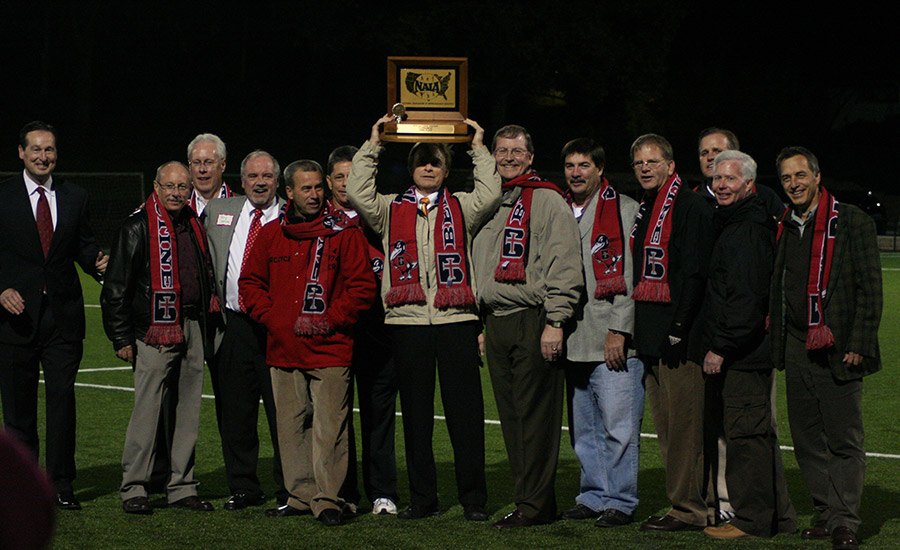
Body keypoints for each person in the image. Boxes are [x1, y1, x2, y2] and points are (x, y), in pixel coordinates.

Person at [346, 116, 499, 522]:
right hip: (406, 323)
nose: (428, 168)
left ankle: (474, 501)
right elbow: (357, 189)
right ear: (411, 169)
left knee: (465, 415)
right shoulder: (389, 209)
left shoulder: (462, 206)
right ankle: (423, 498)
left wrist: (477, 146)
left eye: (436, 163)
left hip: (457, 321)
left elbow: (491, 191)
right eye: (421, 162)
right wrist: (373, 142)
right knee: (415, 417)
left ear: (447, 170)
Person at [240, 159, 376, 526]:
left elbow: (362, 287)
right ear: (289, 192)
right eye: (306, 188)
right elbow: (249, 284)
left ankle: (329, 498)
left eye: (318, 187)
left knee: (330, 429)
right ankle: (300, 496)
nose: (314, 195)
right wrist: (274, 319)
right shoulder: (271, 234)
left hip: (330, 348)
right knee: (290, 427)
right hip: (283, 348)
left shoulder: (344, 233)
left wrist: (331, 320)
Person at [769, 147, 882, 550]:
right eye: (786, 178)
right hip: (798, 345)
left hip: (839, 346)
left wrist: (860, 343)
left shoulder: (852, 221)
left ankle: (845, 522)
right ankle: (826, 512)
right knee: (806, 437)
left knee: (844, 438)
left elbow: (870, 288)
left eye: (800, 175)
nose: (794, 184)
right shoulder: (786, 223)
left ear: (817, 176)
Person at [472, 124, 583, 529]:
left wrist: (556, 320)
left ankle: (534, 506)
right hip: (496, 320)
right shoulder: (490, 202)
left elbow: (565, 264)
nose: (509, 158)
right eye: (501, 151)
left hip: (533, 318)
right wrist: (482, 322)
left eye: (517, 152)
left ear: (531, 157)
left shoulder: (548, 199)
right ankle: (532, 500)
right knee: (513, 417)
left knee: (534, 418)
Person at [0, 120, 107, 511]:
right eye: (36, 150)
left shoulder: (75, 196)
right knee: (18, 410)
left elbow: (82, 244)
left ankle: (62, 484)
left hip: (63, 318)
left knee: (62, 403)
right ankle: (22, 485)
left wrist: (97, 262)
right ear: (21, 152)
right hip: (15, 320)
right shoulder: (3, 196)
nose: (44, 157)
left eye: (50, 150)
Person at [100, 161, 217, 515]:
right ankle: (134, 486)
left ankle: (182, 486)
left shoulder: (194, 223)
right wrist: (121, 338)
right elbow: (116, 287)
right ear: (155, 186)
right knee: (147, 411)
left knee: (188, 411)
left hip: (192, 325)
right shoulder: (138, 226)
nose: (177, 193)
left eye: (183, 187)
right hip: (153, 330)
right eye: (169, 186)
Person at [699, 151, 796, 540]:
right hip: (746, 351)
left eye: (730, 179)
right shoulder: (740, 222)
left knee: (746, 437)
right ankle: (780, 518)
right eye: (717, 178)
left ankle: (752, 520)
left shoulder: (746, 230)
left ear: (749, 185)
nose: (721, 185)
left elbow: (746, 300)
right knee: (755, 435)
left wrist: (720, 346)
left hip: (743, 354)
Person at [629, 134, 715, 532]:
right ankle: (685, 504)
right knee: (668, 429)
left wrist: (679, 329)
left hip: (679, 340)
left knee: (684, 430)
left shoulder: (691, 205)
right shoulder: (647, 207)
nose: (645, 168)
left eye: (652, 161)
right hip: (651, 338)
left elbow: (696, 274)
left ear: (670, 164)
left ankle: (689, 510)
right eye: (638, 163)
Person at [557, 138, 642, 528]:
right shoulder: (558, 207)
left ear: (600, 170)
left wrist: (618, 331)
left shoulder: (625, 210)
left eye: (584, 165)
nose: (576, 172)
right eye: (571, 165)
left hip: (609, 334)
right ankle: (593, 495)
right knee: (585, 428)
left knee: (618, 427)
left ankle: (621, 501)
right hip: (573, 334)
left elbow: (630, 277)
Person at [203, 150, 287, 510]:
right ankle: (243, 486)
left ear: (278, 181)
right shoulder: (221, 211)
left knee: (284, 412)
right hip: (234, 326)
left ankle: (290, 486)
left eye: (267, 175)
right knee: (236, 413)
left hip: (278, 328)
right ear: (241, 180)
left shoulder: (291, 214)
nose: (260, 182)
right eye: (253, 176)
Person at [327, 144, 400, 516]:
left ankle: (383, 490)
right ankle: (342, 490)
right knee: (334, 416)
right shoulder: (319, 222)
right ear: (329, 181)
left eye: (354, 175)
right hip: (335, 332)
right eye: (340, 176)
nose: (347, 183)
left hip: (378, 330)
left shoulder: (383, 218)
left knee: (378, 413)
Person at [695, 127, 784, 219]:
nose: (710, 157)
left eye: (717, 151)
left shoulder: (764, 196)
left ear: (735, 154)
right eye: (704, 153)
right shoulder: (691, 200)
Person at [187, 133, 233, 219]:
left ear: (222, 165)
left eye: (208, 162)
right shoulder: (180, 206)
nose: (202, 169)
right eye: (196, 162)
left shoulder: (239, 205)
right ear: (190, 167)